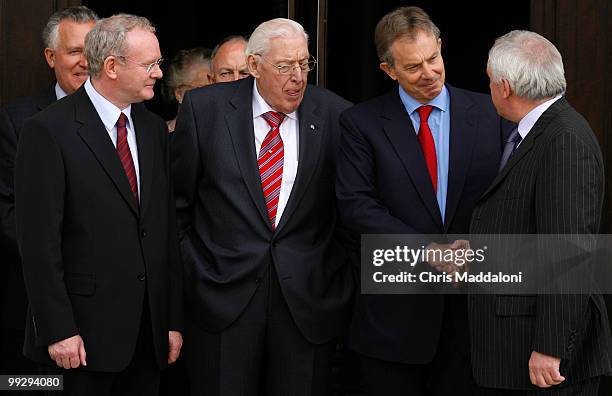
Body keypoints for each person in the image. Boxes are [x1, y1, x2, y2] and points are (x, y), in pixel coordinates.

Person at [171, 18, 354, 396]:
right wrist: (197, 271)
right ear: (254, 66)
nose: (298, 77)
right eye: (285, 66)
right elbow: (177, 207)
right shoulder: (205, 109)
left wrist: (336, 279)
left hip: (307, 304)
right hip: (221, 301)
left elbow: (348, 211)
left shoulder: (337, 115)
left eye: (304, 64)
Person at [336, 6, 509, 395]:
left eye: (433, 59)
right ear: (388, 70)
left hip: (473, 319)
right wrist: (426, 249)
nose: (429, 73)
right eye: (413, 67)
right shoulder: (361, 123)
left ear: (442, 48)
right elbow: (356, 206)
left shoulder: (491, 113)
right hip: (393, 323)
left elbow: (509, 199)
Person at [15, 14, 183, 395]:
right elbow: (39, 244)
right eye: (149, 64)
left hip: (147, 335)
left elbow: (164, 230)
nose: (159, 73)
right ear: (111, 66)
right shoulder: (48, 131)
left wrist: (171, 320)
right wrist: (58, 330)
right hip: (80, 341)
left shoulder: (154, 130)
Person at [468, 30, 612, 395]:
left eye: (488, 82)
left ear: (504, 87)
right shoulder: (536, 133)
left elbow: (569, 250)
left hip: (544, 360)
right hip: (512, 348)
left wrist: (550, 347)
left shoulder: (564, 139)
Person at [0, 5, 98, 377]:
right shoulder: (17, 121)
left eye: (93, 50)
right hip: (33, 309)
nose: (85, 62)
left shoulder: (129, 121)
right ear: (50, 56)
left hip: (107, 308)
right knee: (30, 388)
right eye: (75, 51)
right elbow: (8, 211)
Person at [162, 47, 212, 132]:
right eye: (203, 90)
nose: (211, 97)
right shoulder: (159, 135)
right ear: (179, 93)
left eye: (215, 88)